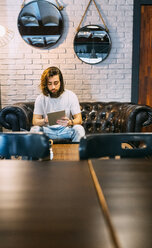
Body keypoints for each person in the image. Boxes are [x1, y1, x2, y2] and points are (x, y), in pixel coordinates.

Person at [30, 66, 85, 142]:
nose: (53, 87)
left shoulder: (71, 95)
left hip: (66, 130)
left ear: (61, 82)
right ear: (45, 84)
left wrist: (70, 122)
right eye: (49, 84)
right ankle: (37, 154)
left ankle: (77, 154)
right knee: (34, 129)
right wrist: (45, 121)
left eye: (56, 83)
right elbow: (35, 121)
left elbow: (79, 119)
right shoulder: (40, 98)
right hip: (47, 131)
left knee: (79, 129)